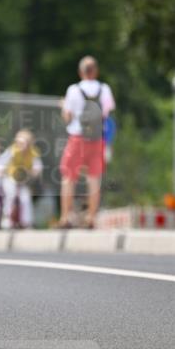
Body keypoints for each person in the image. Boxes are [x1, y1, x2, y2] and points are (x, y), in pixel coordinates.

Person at [58, 55, 115, 228]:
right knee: (93, 179)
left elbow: (67, 117)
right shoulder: (104, 89)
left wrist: (63, 107)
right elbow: (106, 114)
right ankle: (91, 217)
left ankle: (66, 217)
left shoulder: (73, 90)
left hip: (77, 137)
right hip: (97, 138)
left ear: (80, 72)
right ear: (96, 71)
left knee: (69, 178)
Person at [0, 129, 43, 228]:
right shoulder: (12, 150)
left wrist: (33, 173)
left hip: (24, 179)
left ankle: (27, 222)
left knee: (25, 198)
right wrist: (2, 170)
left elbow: (38, 167)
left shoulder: (33, 152)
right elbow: (1, 163)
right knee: (11, 195)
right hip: (10, 177)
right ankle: (7, 220)